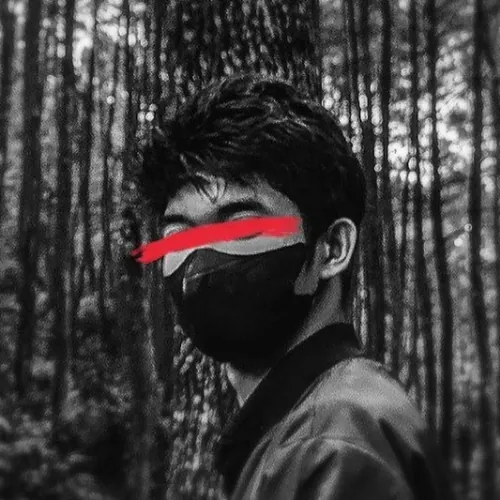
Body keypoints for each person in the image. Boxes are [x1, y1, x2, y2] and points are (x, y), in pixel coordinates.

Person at [137, 74, 454, 500]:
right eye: (177, 236)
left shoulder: (335, 443)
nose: (199, 262)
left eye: (240, 227)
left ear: (332, 248)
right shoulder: (311, 423)